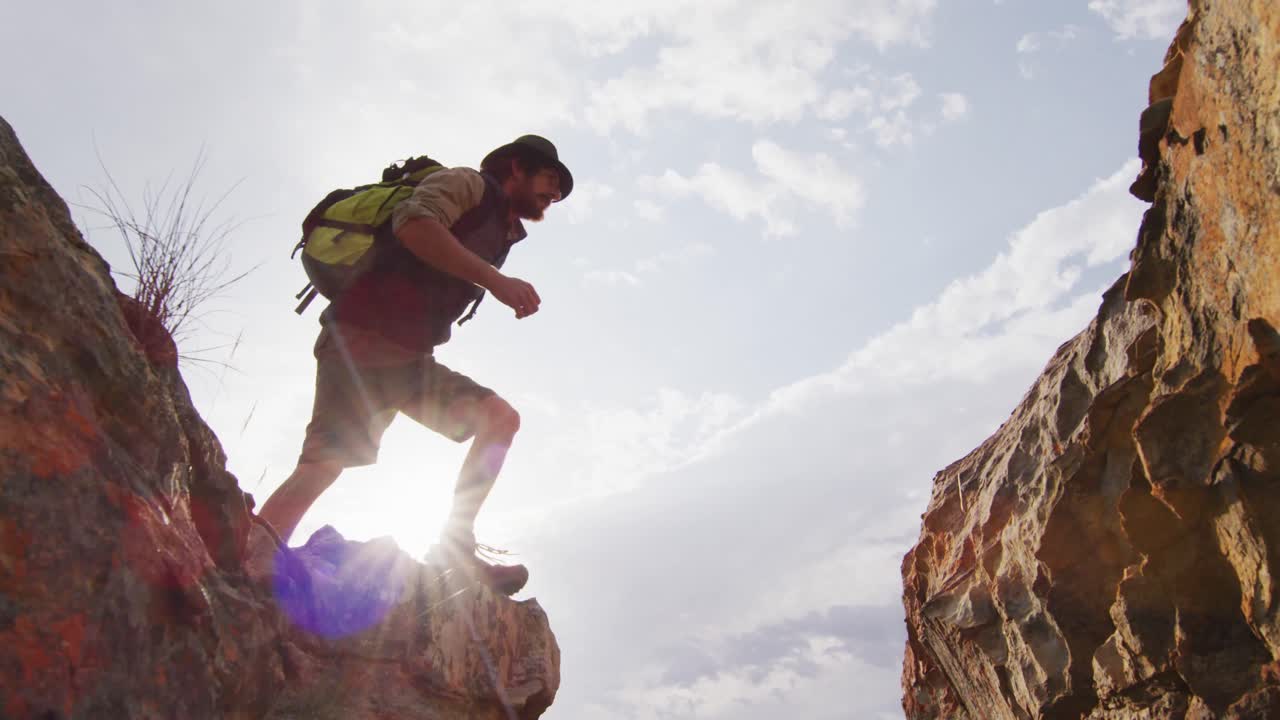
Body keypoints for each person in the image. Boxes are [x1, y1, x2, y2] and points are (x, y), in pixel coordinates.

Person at [258, 135, 573, 594]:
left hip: (409, 361)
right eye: (550, 180)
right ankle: (251, 552)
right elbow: (414, 224)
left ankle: (454, 546)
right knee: (322, 465)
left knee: (499, 419)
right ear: (518, 167)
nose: (554, 195)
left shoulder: (501, 230)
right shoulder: (468, 184)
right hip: (359, 341)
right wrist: (496, 282)